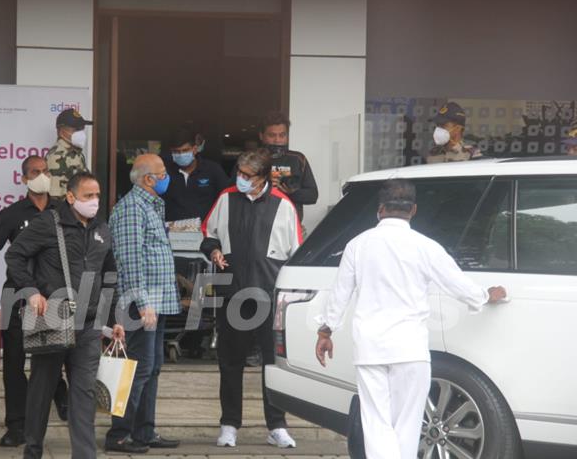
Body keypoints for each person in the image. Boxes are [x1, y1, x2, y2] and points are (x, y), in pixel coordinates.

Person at [315, 179, 508, 459]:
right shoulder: (425, 246)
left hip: (370, 348)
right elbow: (458, 285)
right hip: (410, 349)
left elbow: (339, 294)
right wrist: (486, 295)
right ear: (413, 210)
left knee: (376, 422)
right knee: (407, 424)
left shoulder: (358, 245)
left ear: (380, 210)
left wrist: (325, 332)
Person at [5, 172, 122, 459]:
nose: (94, 202)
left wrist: (113, 319)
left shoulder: (102, 230)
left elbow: (109, 276)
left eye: (97, 195)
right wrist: (31, 291)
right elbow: (14, 256)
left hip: (90, 323)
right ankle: (33, 450)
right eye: (87, 196)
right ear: (71, 197)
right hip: (52, 318)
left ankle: (84, 455)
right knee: (42, 389)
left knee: (84, 393)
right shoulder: (48, 224)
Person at [201, 148, 302, 449]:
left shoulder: (283, 204)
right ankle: (229, 424)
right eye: (239, 174)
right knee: (230, 361)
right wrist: (214, 251)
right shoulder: (226, 197)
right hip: (232, 292)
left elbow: (295, 251)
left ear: (264, 177)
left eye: (247, 176)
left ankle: (277, 425)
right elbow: (208, 233)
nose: (241, 179)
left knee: (272, 362)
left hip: (268, 294)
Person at [0, 156, 68, 447]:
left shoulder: (62, 211)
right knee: (14, 362)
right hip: (16, 295)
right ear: (24, 179)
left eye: (44, 171)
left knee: (52, 355)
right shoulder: (13, 214)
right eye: (34, 172)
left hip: (52, 297)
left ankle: (61, 394)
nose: (41, 176)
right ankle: (16, 425)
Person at [105, 154, 181, 453]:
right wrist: (143, 302)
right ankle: (119, 435)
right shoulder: (131, 209)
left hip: (157, 302)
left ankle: (144, 431)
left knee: (152, 368)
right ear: (148, 178)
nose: (166, 177)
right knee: (136, 370)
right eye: (162, 173)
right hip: (141, 303)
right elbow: (129, 260)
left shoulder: (151, 205)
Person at [258, 111, 318, 222]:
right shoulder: (250, 159)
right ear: (261, 136)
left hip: (290, 225)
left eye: (282, 135)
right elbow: (234, 192)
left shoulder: (298, 159)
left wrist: (291, 192)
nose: (277, 140)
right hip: (257, 224)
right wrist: (262, 185)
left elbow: (313, 196)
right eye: (272, 135)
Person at [163, 127, 230, 222]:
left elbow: (226, 199)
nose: (181, 154)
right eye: (176, 152)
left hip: (206, 231)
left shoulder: (212, 170)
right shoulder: (164, 172)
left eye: (185, 150)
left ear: (194, 149)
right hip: (173, 232)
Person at [46, 108, 91, 199]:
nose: (81, 133)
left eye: (82, 129)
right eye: (76, 129)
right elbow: (55, 198)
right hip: (67, 211)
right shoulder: (57, 155)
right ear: (62, 131)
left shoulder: (75, 153)